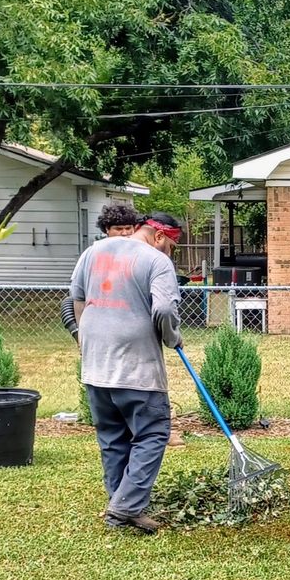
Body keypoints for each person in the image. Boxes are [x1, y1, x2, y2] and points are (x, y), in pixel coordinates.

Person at [64, 211, 184, 534]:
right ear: (159, 237)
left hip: (95, 366)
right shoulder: (157, 262)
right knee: (154, 432)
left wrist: (84, 340)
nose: (170, 253)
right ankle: (124, 508)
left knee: (112, 436)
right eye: (171, 246)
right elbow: (163, 309)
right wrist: (172, 337)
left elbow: (76, 300)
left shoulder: (92, 252)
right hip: (137, 367)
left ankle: (120, 500)